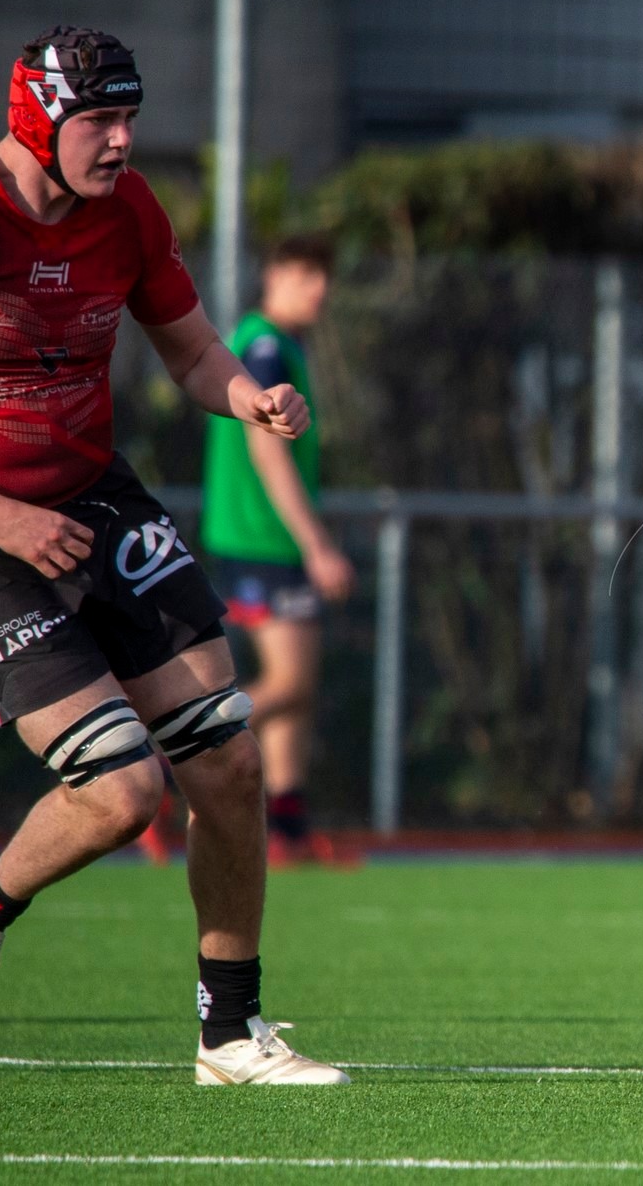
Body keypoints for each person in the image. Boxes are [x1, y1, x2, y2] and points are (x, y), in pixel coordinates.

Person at [0, 27, 346, 1084]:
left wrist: (248, 398)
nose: (122, 141)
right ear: (38, 119)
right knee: (122, 793)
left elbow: (193, 350)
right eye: (101, 121)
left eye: (130, 118)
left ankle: (229, 1034)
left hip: (96, 500)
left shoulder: (129, 213)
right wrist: (2, 518)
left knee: (230, 759)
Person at [196, 234, 355, 868]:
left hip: (268, 540)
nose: (320, 289)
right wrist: (317, 544)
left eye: (324, 276)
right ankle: (179, 757)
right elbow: (267, 446)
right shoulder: (263, 346)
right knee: (290, 682)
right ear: (273, 275)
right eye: (305, 274)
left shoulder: (280, 344)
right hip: (261, 539)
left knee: (300, 686)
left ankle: (288, 826)